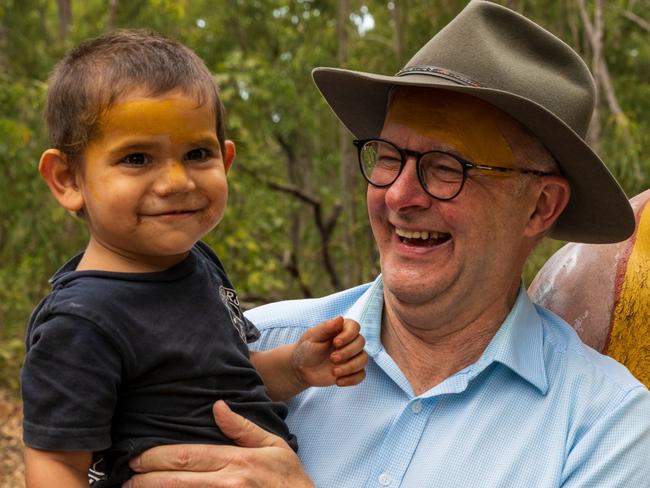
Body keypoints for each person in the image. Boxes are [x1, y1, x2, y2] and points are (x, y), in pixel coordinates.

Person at [123, 2, 650, 487]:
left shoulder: (605, 427)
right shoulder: (257, 350)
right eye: (388, 157)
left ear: (540, 207)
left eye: (446, 168)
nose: (397, 194)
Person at [20, 30, 368, 488]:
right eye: (138, 158)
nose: (177, 181)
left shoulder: (199, 264)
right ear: (67, 179)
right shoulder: (82, 320)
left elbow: (225, 379)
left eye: (197, 154)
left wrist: (296, 366)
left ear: (225, 161)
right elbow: (56, 465)